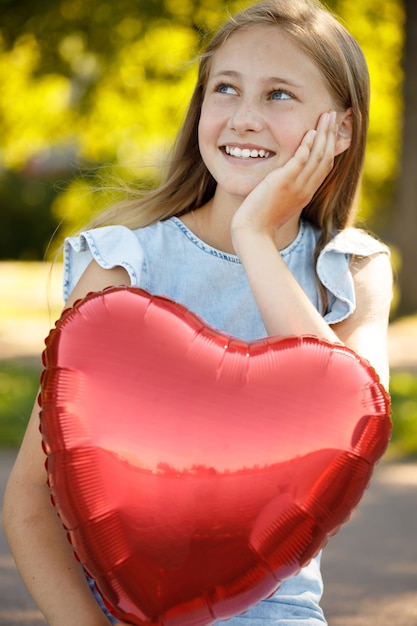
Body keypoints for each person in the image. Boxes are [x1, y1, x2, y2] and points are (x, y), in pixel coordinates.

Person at [3, 0, 393, 624]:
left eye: (279, 96)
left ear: (340, 129)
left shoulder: (351, 272)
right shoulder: (125, 264)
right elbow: (31, 500)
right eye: (226, 89)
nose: (244, 119)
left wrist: (256, 238)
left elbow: (346, 424)